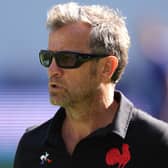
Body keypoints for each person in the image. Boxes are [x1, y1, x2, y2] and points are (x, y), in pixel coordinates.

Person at [14, 2, 168, 168]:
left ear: (107, 67)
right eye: (47, 58)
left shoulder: (157, 144)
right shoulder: (31, 146)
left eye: (66, 59)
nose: (52, 70)